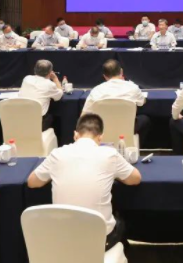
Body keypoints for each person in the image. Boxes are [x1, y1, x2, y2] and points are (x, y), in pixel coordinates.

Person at [27, 113, 141, 250]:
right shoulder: (110, 155)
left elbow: (32, 182)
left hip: (63, 237)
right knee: (120, 221)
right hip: (99, 239)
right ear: (100, 138)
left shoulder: (57, 154)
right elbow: (135, 179)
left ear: (75, 135)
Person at [81, 60, 150, 142]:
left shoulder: (96, 91)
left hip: (101, 129)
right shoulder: (133, 87)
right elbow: (141, 102)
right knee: (145, 120)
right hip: (128, 127)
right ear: (121, 71)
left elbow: (84, 116)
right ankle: (133, 145)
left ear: (105, 76)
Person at [18, 60, 63, 130]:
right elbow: (59, 95)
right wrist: (55, 79)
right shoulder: (49, 84)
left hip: (21, 119)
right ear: (50, 72)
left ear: (35, 69)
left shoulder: (26, 79)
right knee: (52, 118)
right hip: (39, 122)